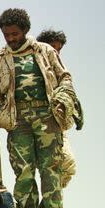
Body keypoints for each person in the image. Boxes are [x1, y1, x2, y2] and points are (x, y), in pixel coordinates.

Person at [0, 8, 78, 208]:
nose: (11, 39)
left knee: (51, 166)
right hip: (17, 120)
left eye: (15, 34)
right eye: (7, 35)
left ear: (25, 30)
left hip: (47, 116)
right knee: (23, 169)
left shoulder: (45, 51)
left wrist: (64, 97)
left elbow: (65, 77)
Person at [37, 29, 82, 188]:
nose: (55, 52)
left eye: (58, 49)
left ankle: (52, 201)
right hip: (33, 124)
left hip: (56, 124)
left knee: (67, 164)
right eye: (52, 47)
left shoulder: (60, 72)